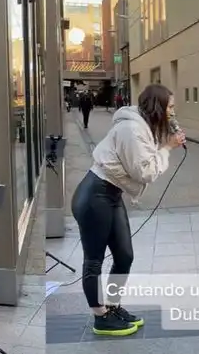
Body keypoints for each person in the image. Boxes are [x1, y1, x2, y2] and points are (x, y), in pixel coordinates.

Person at [72, 84, 186, 336]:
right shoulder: (131, 129)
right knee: (94, 260)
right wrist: (167, 148)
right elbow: (144, 171)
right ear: (158, 107)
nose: (173, 112)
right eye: (170, 107)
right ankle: (100, 317)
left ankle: (112, 306)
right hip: (95, 196)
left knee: (124, 255)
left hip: (111, 195)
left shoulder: (142, 126)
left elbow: (145, 156)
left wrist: (166, 139)